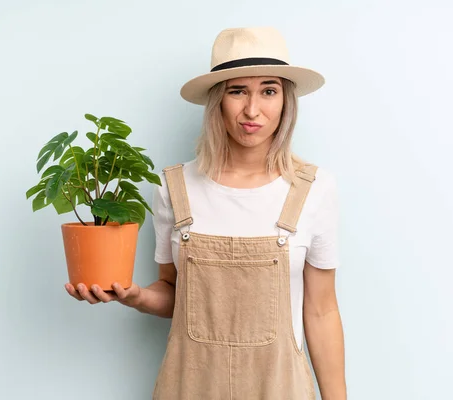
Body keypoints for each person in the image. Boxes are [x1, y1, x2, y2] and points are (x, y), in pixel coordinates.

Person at [65, 26, 346, 399]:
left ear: (285, 100)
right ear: (218, 100)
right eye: (237, 91)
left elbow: (322, 311)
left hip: (280, 388)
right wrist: (135, 297)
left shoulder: (313, 188)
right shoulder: (174, 188)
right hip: (190, 385)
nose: (252, 109)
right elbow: (173, 294)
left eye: (268, 90)